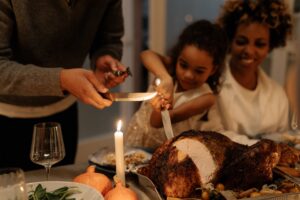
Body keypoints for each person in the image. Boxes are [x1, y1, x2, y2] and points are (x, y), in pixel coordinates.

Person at [0, 0, 128, 170]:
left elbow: (109, 38)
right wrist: (61, 80)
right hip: (6, 117)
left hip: (63, 113)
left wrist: (104, 56)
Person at [125, 20, 228, 149]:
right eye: (183, 65)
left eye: (199, 71)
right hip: (136, 137)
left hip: (159, 150)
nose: (188, 75)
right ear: (178, 56)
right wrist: (165, 77)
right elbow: (146, 54)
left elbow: (156, 122)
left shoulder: (206, 98)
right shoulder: (170, 70)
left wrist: (165, 103)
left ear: (213, 70)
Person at [216, 0, 293, 138]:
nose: (250, 51)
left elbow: (283, 144)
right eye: (241, 41)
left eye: (260, 44)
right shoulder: (213, 86)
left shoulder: (278, 95)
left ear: (270, 47)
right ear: (230, 41)